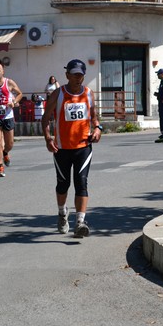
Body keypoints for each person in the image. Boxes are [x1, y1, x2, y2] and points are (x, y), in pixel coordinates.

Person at [41, 59, 101, 238]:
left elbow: (94, 118)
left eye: (80, 74)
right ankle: (62, 213)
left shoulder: (89, 94)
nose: (77, 78)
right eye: (74, 74)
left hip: (83, 147)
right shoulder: (58, 94)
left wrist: (97, 129)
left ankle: (81, 222)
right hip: (62, 149)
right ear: (67, 75)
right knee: (63, 184)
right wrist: (48, 139)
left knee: (81, 182)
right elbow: (45, 119)